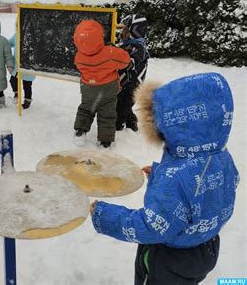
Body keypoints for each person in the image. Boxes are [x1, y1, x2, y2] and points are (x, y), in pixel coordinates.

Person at [90, 73, 239, 285]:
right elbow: (210, 187)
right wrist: (163, 176)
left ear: (174, 124)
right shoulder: (222, 156)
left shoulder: (175, 177)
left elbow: (152, 226)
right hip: (207, 247)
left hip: (170, 258)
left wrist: (103, 215)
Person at [73, 20, 130, 147]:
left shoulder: (78, 56)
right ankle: (105, 141)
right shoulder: (110, 53)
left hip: (88, 87)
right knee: (107, 113)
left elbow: (79, 67)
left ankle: (80, 131)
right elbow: (125, 61)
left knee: (86, 109)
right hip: (108, 88)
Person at [116, 14, 149, 132]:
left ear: (134, 31)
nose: (122, 32)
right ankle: (132, 123)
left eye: (125, 29)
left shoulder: (139, 48)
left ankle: (118, 128)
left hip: (132, 87)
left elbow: (128, 62)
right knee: (123, 105)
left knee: (120, 109)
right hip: (124, 85)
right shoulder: (127, 45)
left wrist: (113, 55)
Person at [8, 27, 36, 109]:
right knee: (13, 80)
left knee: (27, 85)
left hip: (28, 66)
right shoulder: (16, 35)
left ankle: (27, 101)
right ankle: (17, 94)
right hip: (17, 66)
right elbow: (9, 43)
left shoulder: (33, 36)